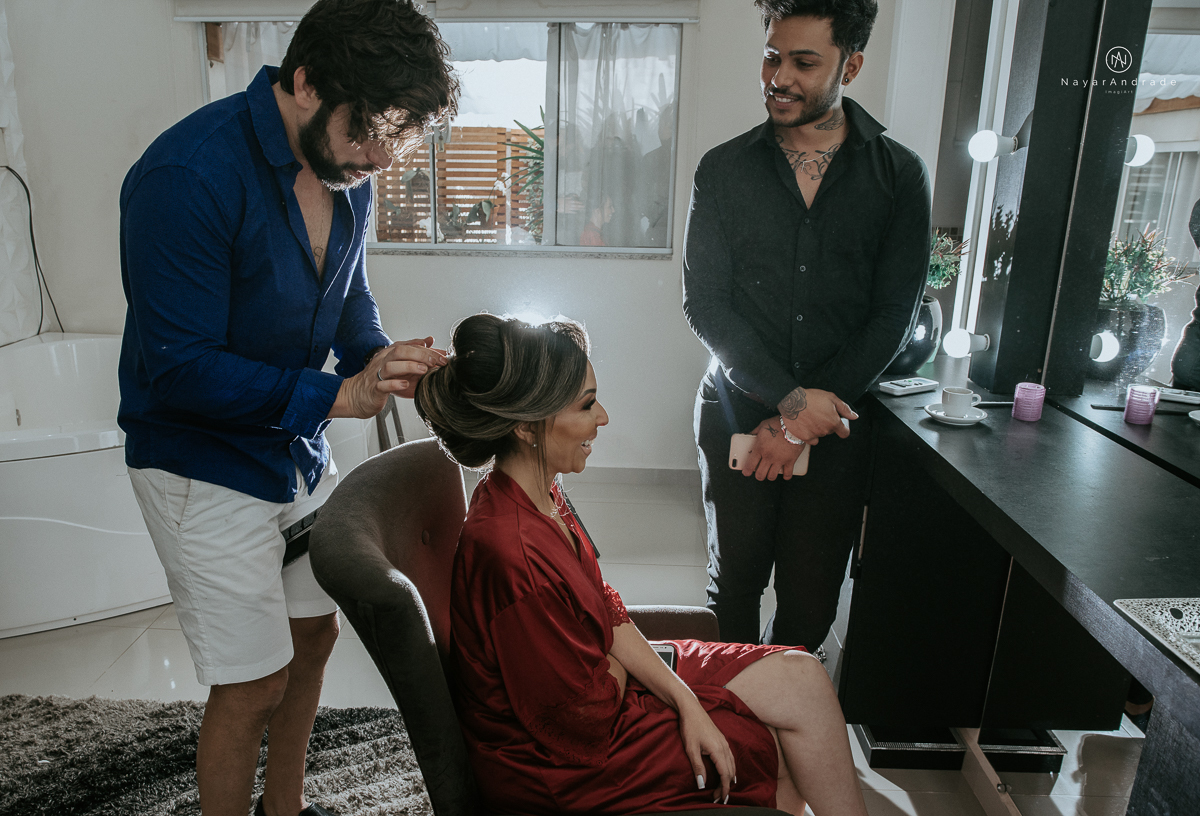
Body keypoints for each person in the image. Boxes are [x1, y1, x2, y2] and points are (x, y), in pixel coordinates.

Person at [117, 2, 458, 815]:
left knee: (315, 635)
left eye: (395, 136)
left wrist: (377, 356)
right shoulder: (186, 176)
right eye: (369, 128)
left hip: (292, 452)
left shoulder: (346, 174)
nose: (380, 155)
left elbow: (346, 295)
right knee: (253, 684)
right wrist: (338, 394)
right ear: (305, 83)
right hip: (201, 468)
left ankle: (288, 808)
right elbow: (181, 371)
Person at [414, 313, 868, 816]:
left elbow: (604, 609)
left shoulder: (538, 492)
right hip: (564, 765)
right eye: (587, 404)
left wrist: (684, 699)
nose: (604, 417)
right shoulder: (511, 554)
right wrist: (650, 682)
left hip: (598, 690)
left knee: (805, 677)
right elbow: (582, 719)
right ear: (526, 425)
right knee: (772, 746)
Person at [682, 0, 931, 652]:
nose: (779, 78)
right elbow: (705, 304)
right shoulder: (722, 169)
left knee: (811, 602)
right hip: (737, 408)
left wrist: (804, 421)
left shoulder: (898, 175)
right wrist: (790, 404)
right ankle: (733, 706)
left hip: (838, 425)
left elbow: (893, 315)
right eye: (772, 57)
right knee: (733, 586)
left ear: (851, 65)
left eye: (803, 62)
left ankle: (780, 698)